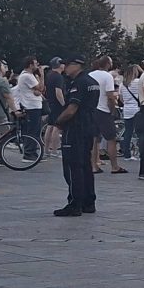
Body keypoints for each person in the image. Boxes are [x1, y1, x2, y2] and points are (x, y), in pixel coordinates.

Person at [53, 56, 99, 217]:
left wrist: (58, 121)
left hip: (75, 128)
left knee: (73, 166)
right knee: (85, 165)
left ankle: (75, 203)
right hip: (89, 126)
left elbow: (72, 108)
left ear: (76, 65)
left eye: (67, 64)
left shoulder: (78, 83)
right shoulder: (92, 82)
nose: (64, 67)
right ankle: (89, 201)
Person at [89, 56, 126, 175]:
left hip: (91, 110)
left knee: (94, 139)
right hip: (103, 110)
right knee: (111, 139)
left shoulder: (90, 75)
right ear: (108, 64)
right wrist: (112, 110)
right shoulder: (107, 76)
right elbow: (110, 95)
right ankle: (114, 166)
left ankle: (93, 165)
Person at [13, 56, 44, 162]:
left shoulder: (28, 75)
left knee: (33, 130)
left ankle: (33, 152)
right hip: (31, 106)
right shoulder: (27, 76)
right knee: (32, 130)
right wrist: (42, 75)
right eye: (35, 64)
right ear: (30, 65)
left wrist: (38, 90)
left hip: (32, 105)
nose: (37, 65)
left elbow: (38, 90)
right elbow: (40, 88)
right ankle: (29, 153)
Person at [42, 57, 66, 158]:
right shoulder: (58, 77)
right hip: (57, 105)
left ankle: (46, 150)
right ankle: (55, 150)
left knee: (50, 126)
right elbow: (58, 93)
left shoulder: (49, 75)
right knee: (57, 128)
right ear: (59, 65)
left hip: (50, 103)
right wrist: (64, 105)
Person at [119, 65, 142, 160]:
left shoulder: (123, 84)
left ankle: (127, 154)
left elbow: (121, 98)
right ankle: (141, 153)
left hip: (127, 110)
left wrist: (127, 104)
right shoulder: (138, 82)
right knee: (140, 132)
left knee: (128, 132)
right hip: (137, 109)